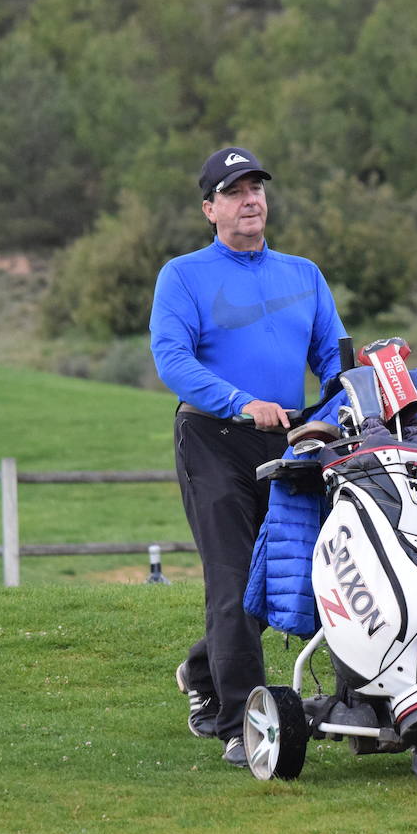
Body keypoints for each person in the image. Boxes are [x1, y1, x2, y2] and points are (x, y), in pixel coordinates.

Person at [149, 146, 348, 767]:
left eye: (256, 188)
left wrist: (330, 414)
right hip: (213, 440)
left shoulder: (304, 274)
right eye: (234, 192)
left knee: (289, 575)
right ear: (210, 209)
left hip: (290, 444)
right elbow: (172, 361)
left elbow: (335, 361)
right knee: (233, 580)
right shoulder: (183, 275)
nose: (250, 200)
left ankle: (204, 668)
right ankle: (237, 724)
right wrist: (241, 402)